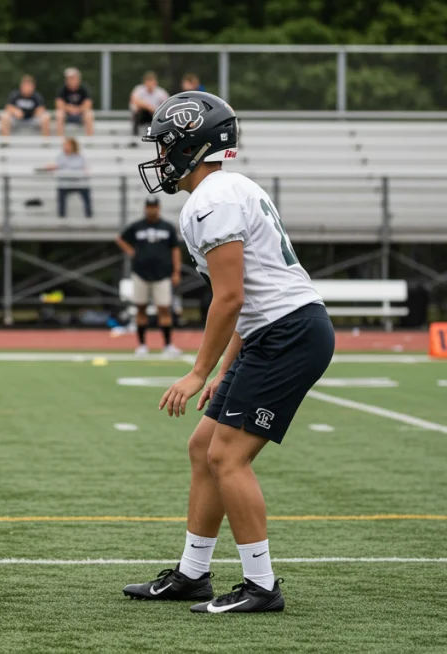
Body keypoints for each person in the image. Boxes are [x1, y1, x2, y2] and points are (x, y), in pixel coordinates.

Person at [122, 91, 334, 614]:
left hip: (288, 332)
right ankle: (193, 574)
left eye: (168, 147)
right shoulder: (230, 188)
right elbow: (245, 299)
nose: (161, 158)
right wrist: (225, 367)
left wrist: (199, 371)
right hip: (273, 329)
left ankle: (261, 586)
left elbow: (232, 296)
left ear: (195, 145)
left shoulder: (212, 200)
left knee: (227, 457)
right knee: (203, 446)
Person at [116, 196, 181, 355]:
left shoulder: (167, 227)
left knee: (164, 309)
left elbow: (175, 249)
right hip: (140, 273)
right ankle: (142, 345)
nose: (152, 209)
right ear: (145, 208)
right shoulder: (137, 226)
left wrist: (176, 271)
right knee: (140, 308)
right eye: (149, 206)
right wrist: (130, 251)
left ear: (158, 207)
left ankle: (167, 345)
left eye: (154, 206)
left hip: (162, 274)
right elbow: (120, 238)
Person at [38, 137, 91, 218]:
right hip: (64, 183)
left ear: (73, 146)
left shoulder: (80, 156)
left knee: (86, 191)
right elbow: (56, 166)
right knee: (61, 194)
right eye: (64, 145)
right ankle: (61, 217)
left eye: (67, 145)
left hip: (78, 183)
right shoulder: (60, 156)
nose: (65, 147)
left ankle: (89, 215)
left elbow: (84, 169)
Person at [55, 67, 95, 136]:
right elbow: (59, 104)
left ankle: (90, 141)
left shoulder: (84, 89)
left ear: (78, 79)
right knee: (59, 114)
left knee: (89, 115)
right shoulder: (62, 89)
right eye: (69, 78)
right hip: (67, 115)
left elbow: (88, 104)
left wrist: (78, 109)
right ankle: (60, 139)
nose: (71, 80)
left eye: (73, 78)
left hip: (81, 114)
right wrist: (70, 109)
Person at [129, 71, 169, 139]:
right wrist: (148, 107)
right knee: (138, 111)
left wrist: (153, 109)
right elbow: (134, 100)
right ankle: (135, 134)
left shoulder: (160, 92)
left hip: (154, 115)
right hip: (142, 114)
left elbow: (167, 103)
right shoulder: (139, 89)